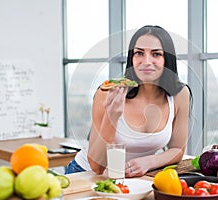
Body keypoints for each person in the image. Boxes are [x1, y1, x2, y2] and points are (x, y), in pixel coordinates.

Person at [65, 25, 192, 177]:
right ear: (132, 58)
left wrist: (148, 162)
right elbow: (97, 167)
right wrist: (111, 117)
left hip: (136, 179)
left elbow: (177, 149)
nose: (146, 61)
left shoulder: (179, 95)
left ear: (167, 60)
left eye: (156, 54)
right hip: (86, 175)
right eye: (139, 53)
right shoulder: (107, 92)